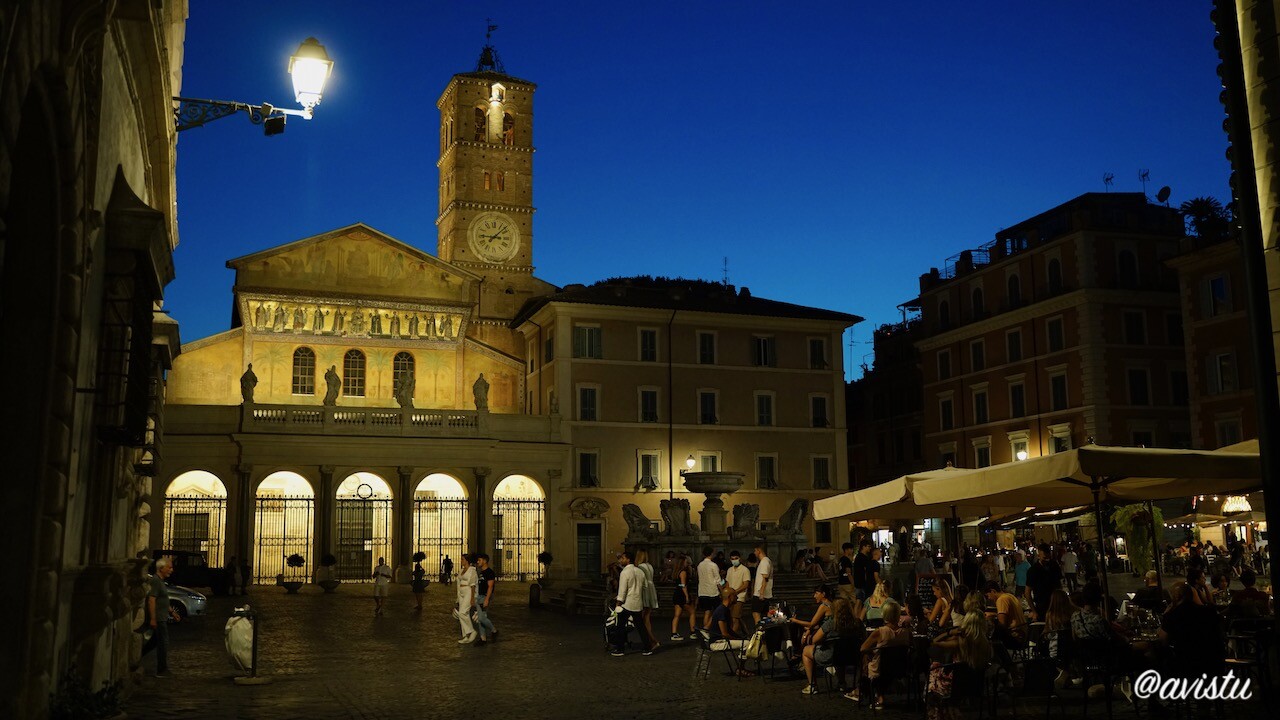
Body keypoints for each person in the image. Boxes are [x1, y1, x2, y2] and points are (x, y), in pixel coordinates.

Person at [849, 600, 910, 707]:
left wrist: (873, 650)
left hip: (880, 668)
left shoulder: (879, 632)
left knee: (865, 658)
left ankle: (865, 691)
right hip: (900, 667)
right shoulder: (906, 633)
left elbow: (862, 648)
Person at [801, 597, 861, 694]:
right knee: (840, 649)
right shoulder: (857, 623)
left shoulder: (830, 624)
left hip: (831, 656)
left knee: (806, 651)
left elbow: (814, 640)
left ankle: (812, 685)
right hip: (852, 655)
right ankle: (842, 683)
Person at [610, 550, 655, 657]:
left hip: (627, 603)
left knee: (620, 626)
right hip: (637, 603)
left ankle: (620, 649)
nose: (621, 560)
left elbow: (622, 590)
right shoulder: (640, 571)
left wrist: (618, 602)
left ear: (628, 559)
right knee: (641, 626)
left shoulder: (625, 572)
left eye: (623, 558)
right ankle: (647, 648)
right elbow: (645, 586)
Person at [142, 558, 181, 677]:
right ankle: (162, 669)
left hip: (161, 617)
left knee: (154, 642)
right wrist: (153, 618)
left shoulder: (160, 581)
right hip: (159, 618)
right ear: (161, 568)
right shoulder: (155, 581)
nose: (171, 570)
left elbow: (162, 599)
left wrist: (172, 612)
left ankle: (135, 659)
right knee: (163, 642)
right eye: (169, 567)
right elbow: (152, 600)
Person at [984, 580, 1028, 650]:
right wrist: (994, 614)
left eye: (988, 595)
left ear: (993, 591)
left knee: (989, 639)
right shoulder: (1010, 596)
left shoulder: (1001, 599)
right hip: (1023, 635)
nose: (989, 598)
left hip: (1014, 637)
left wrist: (991, 618)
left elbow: (1002, 624)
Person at [1025, 544, 1061, 620]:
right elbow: (1027, 593)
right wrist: (1034, 611)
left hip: (1056, 606)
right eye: (1045, 558)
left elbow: (1059, 585)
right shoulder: (1033, 571)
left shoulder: (1054, 565)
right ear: (1038, 556)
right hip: (1042, 607)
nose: (1047, 560)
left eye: (1049, 557)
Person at [635, 549, 660, 652]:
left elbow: (641, 581)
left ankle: (652, 640)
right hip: (651, 589)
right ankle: (650, 640)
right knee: (647, 617)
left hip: (645, 590)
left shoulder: (640, 567)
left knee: (642, 619)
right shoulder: (649, 565)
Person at [724, 549, 751, 635]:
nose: (734, 560)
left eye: (736, 558)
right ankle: (746, 633)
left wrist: (735, 592)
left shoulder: (745, 570)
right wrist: (727, 594)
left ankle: (731, 636)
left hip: (739, 596)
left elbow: (746, 584)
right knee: (735, 617)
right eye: (732, 559)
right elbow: (727, 583)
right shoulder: (729, 570)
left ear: (739, 558)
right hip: (730, 597)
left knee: (735, 617)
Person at [473, 553, 498, 644]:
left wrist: (487, 599)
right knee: (481, 619)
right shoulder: (481, 572)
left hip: (484, 597)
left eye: (479, 560)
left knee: (482, 618)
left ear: (485, 561)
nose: (478, 562)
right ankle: (483, 638)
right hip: (479, 596)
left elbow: (490, 586)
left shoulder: (489, 572)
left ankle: (494, 630)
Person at [670, 554, 696, 639]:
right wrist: (687, 596)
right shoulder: (683, 572)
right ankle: (693, 632)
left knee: (677, 614)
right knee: (692, 612)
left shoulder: (676, 572)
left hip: (676, 593)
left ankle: (674, 633)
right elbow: (683, 585)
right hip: (682, 594)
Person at [696, 546, 722, 629]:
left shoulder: (700, 565)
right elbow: (718, 580)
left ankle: (705, 628)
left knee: (707, 612)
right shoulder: (713, 565)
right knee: (717, 611)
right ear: (712, 553)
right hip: (712, 591)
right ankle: (707, 627)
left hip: (702, 591)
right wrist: (721, 590)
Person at [455, 553, 477, 643]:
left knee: (462, 613)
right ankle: (466, 635)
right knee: (465, 614)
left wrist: (472, 598)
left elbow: (473, 585)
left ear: (467, 561)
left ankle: (471, 631)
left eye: (462, 559)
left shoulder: (472, 571)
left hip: (468, 591)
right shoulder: (461, 570)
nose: (461, 561)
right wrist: (457, 596)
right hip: (461, 593)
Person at [751, 543, 774, 624]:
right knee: (766, 614)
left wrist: (761, 593)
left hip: (761, 593)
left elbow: (765, 578)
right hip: (765, 593)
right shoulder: (767, 561)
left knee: (756, 613)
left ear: (759, 550)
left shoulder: (764, 562)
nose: (754, 552)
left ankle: (759, 632)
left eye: (755, 550)